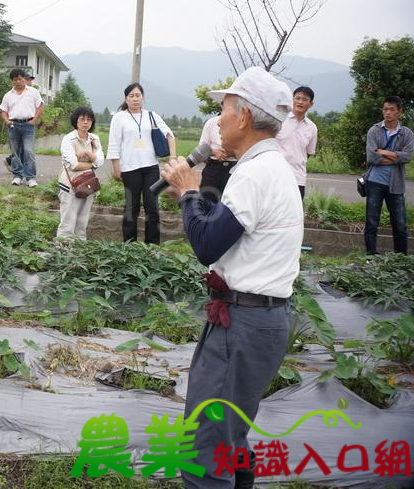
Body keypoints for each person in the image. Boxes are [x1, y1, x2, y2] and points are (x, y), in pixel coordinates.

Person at [160, 66, 301, 489]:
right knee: (231, 438)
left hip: (243, 324)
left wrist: (188, 191)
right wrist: (191, 196)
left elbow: (206, 243)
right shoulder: (270, 168)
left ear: (243, 116)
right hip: (256, 320)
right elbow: (220, 227)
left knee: (206, 451)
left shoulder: (256, 173)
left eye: (222, 111)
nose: (217, 121)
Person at [107, 82, 176, 244]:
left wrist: (172, 158)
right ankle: (129, 245)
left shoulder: (151, 115)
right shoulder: (119, 117)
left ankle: (152, 246)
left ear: (143, 97)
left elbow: (170, 135)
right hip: (130, 168)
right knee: (132, 206)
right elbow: (114, 143)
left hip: (151, 167)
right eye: (131, 96)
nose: (135, 99)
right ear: (126, 98)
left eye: (138, 95)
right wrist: (116, 167)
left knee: (152, 206)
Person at [363, 96, 414, 255]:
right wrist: (396, 157)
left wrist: (384, 152)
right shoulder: (374, 130)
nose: (388, 113)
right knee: (372, 223)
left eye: (392, 109)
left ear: (399, 112)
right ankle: (371, 257)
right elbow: (372, 158)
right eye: (385, 109)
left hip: (396, 184)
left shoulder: (406, 133)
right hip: (374, 182)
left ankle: (400, 259)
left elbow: (408, 156)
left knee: (399, 224)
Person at [56, 108, 105, 239]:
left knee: (82, 224)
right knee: (67, 224)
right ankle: (62, 254)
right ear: (76, 121)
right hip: (70, 185)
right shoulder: (68, 139)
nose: (85, 122)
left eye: (89, 119)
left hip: (88, 185)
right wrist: (92, 163)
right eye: (82, 119)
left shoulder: (95, 139)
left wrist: (89, 155)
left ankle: (79, 255)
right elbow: (74, 165)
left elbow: (101, 161)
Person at [0, 68, 44, 187]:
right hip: (13, 125)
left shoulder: (33, 92)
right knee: (15, 152)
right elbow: (3, 110)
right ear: (12, 81)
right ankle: (17, 176)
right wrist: (7, 121)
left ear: (24, 79)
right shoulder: (8, 95)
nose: (18, 82)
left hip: (28, 125)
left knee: (28, 151)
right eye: (15, 80)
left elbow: (40, 106)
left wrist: (34, 120)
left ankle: (31, 177)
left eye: (20, 79)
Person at [276, 86, 318, 199]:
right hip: (276, 176)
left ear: (311, 104)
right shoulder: (280, 120)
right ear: (292, 99)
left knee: (293, 215)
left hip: (298, 179)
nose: (300, 102)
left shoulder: (312, 128)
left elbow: (308, 153)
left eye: (304, 99)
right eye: (297, 98)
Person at [197, 115, 236, 203]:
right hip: (213, 168)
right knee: (206, 202)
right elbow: (202, 148)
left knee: (230, 204)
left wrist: (232, 152)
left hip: (234, 168)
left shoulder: (241, 123)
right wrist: (214, 152)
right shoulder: (212, 122)